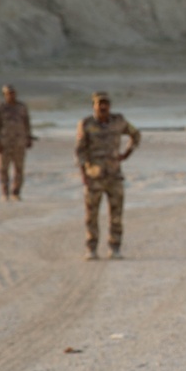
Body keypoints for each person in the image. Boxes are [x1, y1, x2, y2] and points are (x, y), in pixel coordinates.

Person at [75, 92, 141, 260]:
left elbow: (135, 134)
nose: (103, 107)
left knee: (116, 215)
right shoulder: (86, 124)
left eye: (105, 103)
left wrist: (126, 153)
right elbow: (80, 151)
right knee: (91, 216)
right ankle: (91, 248)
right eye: (99, 104)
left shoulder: (118, 122)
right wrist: (84, 173)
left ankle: (115, 247)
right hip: (94, 176)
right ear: (94, 106)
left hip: (114, 175)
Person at [0, 84, 32, 201]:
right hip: (5, 143)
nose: (11, 95)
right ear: (5, 94)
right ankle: (4, 192)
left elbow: (27, 123)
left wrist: (28, 138)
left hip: (19, 142)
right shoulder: (0, 108)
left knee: (19, 168)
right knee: (3, 169)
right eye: (9, 93)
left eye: (13, 93)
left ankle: (16, 192)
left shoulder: (22, 107)